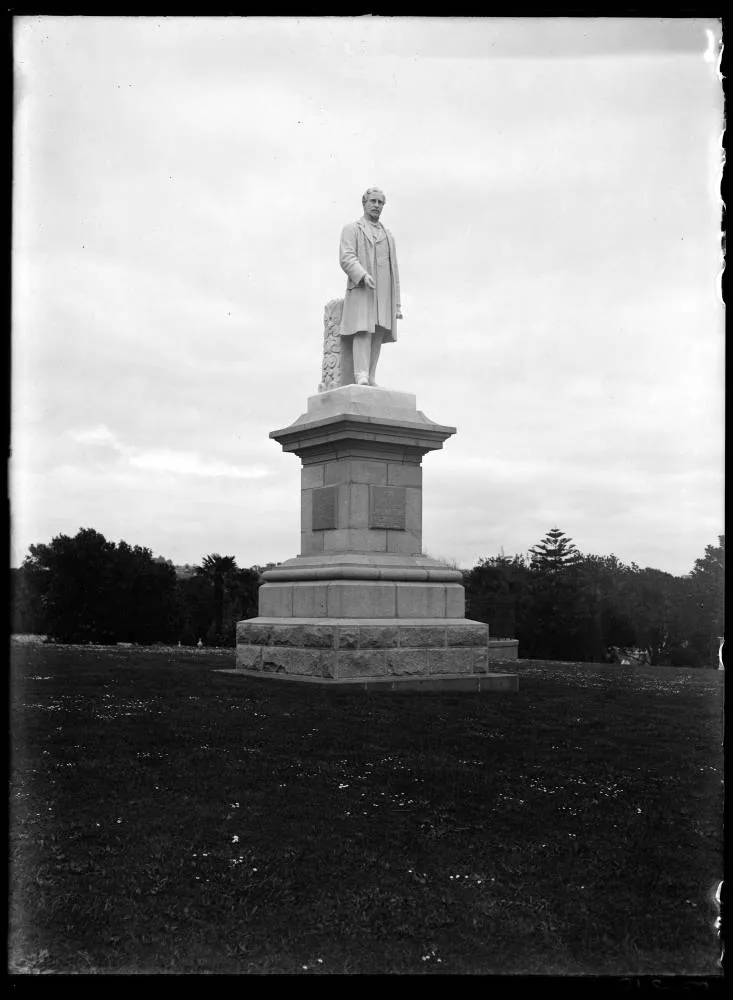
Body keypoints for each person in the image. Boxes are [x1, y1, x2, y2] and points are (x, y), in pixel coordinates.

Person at [338, 187, 402, 386]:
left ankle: (372, 375)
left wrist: (397, 303)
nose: (376, 206)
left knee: (378, 330)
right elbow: (346, 257)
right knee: (363, 329)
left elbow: (395, 270)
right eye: (373, 201)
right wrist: (362, 275)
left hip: (383, 289)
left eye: (380, 203)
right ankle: (361, 374)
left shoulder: (388, 235)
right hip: (362, 287)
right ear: (364, 203)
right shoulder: (352, 229)